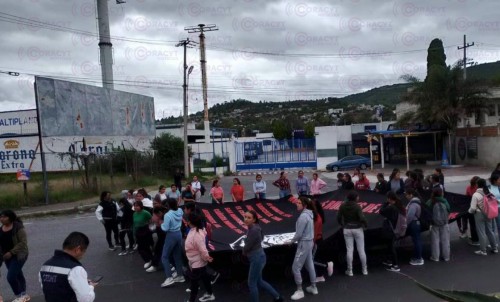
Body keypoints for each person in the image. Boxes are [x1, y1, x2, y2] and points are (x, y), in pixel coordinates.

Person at [39, 232, 95, 302]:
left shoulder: (45, 266)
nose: (83, 255)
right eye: (84, 251)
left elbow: (49, 287)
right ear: (77, 249)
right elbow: (85, 299)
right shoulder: (75, 269)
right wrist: (90, 287)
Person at [243, 210, 284, 302]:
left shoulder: (253, 230)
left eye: (249, 218)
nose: (246, 219)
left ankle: (278, 297)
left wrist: (244, 251)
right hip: (259, 256)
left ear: (254, 220)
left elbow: (248, 246)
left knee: (251, 283)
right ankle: (278, 297)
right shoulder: (255, 227)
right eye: (245, 217)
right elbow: (260, 238)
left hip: (256, 258)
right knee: (259, 281)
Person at [287, 196, 317, 300]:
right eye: (297, 202)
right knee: (310, 265)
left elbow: (299, 234)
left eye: (299, 203)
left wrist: (291, 241)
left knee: (295, 268)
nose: (297, 204)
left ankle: (300, 290)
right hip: (309, 242)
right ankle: (314, 287)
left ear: (304, 205)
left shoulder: (303, 217)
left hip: (304, 244)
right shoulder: (310, 214)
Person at [185, 212, 215, 302]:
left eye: (187, 221)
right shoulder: (195, 230)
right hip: (195, 260)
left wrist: (207, 257)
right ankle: (210, 293)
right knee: (204, 277)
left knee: (194, 284)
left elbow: (202, 249)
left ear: (190, 222)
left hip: (197, 262)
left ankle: (191, 300)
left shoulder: (197, 234)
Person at [0, 210, 29, 302]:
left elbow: (23, 243)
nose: (2, 219)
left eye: (4, 217)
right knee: (18, 274)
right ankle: (24, 295)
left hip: (19, 255)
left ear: (10, 217)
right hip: (6, 257)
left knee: (11, 277)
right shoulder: (1, 228)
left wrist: (11, 252)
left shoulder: (18, 227)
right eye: (1, 217)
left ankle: (19, 295)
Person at [337, 191, 368, 276]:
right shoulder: (357, 207)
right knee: (361, 250)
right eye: (357, 197)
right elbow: (362, 218)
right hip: (358, 229)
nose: (358, 198)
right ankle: (364, 269)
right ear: (355, 198)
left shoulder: (342, 206)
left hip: (347, 229)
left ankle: (350, 270)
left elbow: (338, 217)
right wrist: (365, 225)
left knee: (349, 250)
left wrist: (342, 224)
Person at [469, 179, 498, 256]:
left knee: (481, 232)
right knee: (490, 231)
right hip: (489, 213)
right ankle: (494, 248)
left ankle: (483, 250)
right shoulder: (489, 192)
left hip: (479, 214)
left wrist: (469, 212)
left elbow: (472, 208)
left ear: (477, 185)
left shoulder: (475, 195)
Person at [160, 198, 185, 287]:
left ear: (168, 205)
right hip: (179, 233)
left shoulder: (168, 215)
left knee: (164, 256)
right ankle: (180, 275)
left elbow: (165, 228)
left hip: (171, 235)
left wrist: (161, 223)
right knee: (177, 256)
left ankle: (169, 277)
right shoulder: (180, 210)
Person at [380, 192, 405, 272]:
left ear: (390, 199)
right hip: (394, 228)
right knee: (389, 245)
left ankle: (395, 265)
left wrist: (385, 203)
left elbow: (381, 211)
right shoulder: (398, 206)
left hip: (390, 229)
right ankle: (389, 261)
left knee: (391, 246)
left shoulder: (391, 207)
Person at [311, 199, 333, 282]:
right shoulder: (317, 216)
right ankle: (320, 273)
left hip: (316, 240)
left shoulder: (316, 218)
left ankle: (326, 266)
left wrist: (312, 243)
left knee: (314, 259)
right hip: (318, 239)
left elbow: (315, 232)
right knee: (316, 258)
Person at [426, 188, 451, 262]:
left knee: (435, 241)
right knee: (445, 240)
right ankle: (446, 256)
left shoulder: (431, 201)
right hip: (444, 223)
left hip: (434, 223)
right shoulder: (444, 201)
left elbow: (426, 210)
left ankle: (435, 257)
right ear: (441, 193)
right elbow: (449, 209)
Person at [405, 188, 424, 265]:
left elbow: (410, 216)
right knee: (417, 240)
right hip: (416, 223)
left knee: (416, 241)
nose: (406, 196)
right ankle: (418, 257)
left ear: (411, 195)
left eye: (407, 194)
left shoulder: (413, 204)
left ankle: (418, 258)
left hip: (413, 223)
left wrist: (406, 224)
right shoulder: (416, 202)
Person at [133, 200, 154, 270]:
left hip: (145, 231)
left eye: (137, 206)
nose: (135, 207)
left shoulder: (145, 213)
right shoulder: (134, 214)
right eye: (134, 206)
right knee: (140, 248)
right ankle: (148, 260)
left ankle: (150, 260)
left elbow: (151, 220)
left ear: (141, 206)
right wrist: (134, 232)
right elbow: (134, 224)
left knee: (146, 247)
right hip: (138, 231)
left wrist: (149, 227)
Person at [147, 206, 168, 273]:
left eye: (157, 214)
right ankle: (155, 264)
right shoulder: (156, 213)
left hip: (166, 234)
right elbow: (153, 223)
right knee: (158, 249)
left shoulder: (167, 216)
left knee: (161, 249)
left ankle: (156, 265)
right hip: (160, 232)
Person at [460, 176, 480, 242]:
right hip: (478, 207)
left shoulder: (469, 187)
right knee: (476, 224)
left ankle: (468, 233)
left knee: (471, 223)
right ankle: (476, 237)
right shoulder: (479, 188)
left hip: (471, 207)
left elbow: (466, 197)